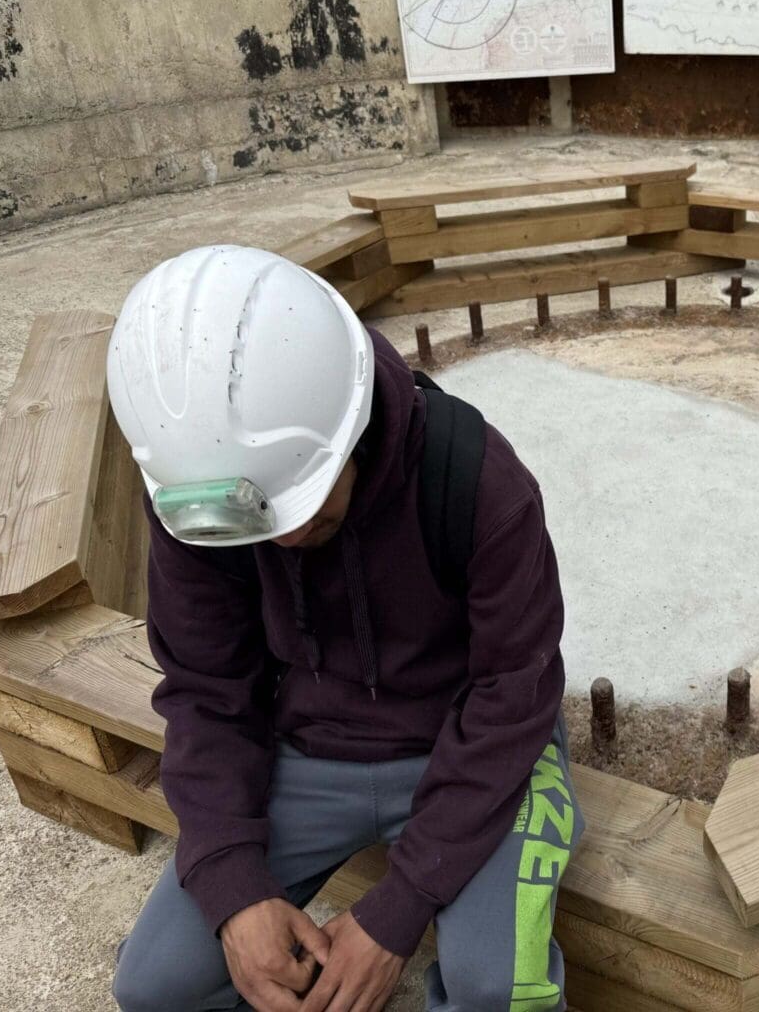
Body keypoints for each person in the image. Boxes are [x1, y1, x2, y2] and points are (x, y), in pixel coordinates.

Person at [106, 245, 580, 1012]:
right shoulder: (199, 488)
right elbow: (205, 689)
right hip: (306, 748)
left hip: (469, 744)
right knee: (154, 987)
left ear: (353, 421)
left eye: (308, 502)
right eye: (257, 523)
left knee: (501, 990)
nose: (284, 539)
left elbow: (512, 693)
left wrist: (398, 913)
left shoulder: (480, 480)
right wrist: (232, 886)